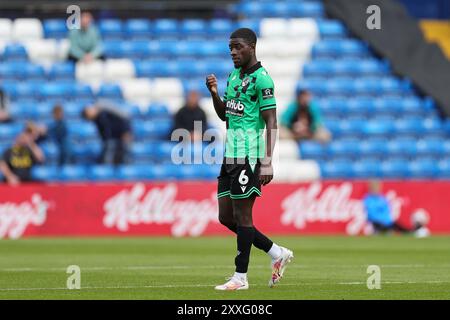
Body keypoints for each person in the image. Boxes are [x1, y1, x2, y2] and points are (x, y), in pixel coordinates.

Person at [205, 28, 293, 291]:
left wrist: (267, 160)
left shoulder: (262, 80)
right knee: (226, 218)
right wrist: (214, 94)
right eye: (230, 48)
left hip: (250, 156)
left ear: (252, 47)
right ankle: (277, 252)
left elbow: (272, 121)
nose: (233, 52)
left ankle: (240, 277)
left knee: (243, 216)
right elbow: (225, 116)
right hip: (230, 155)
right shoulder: (233, 76)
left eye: (237, 47)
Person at [363, 180, 429, 237]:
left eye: (377, 187)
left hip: (387, 222)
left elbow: (387, 212)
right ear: (371, 188)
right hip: (376, 223)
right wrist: (382, 220)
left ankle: (413, 231)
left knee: (397, 225)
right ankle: (415, 231)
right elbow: (371, 214)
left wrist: (387, 221)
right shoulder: (368, 200)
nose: (376, 189)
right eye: (375, 187)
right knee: (385, 226)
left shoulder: (382, 199)